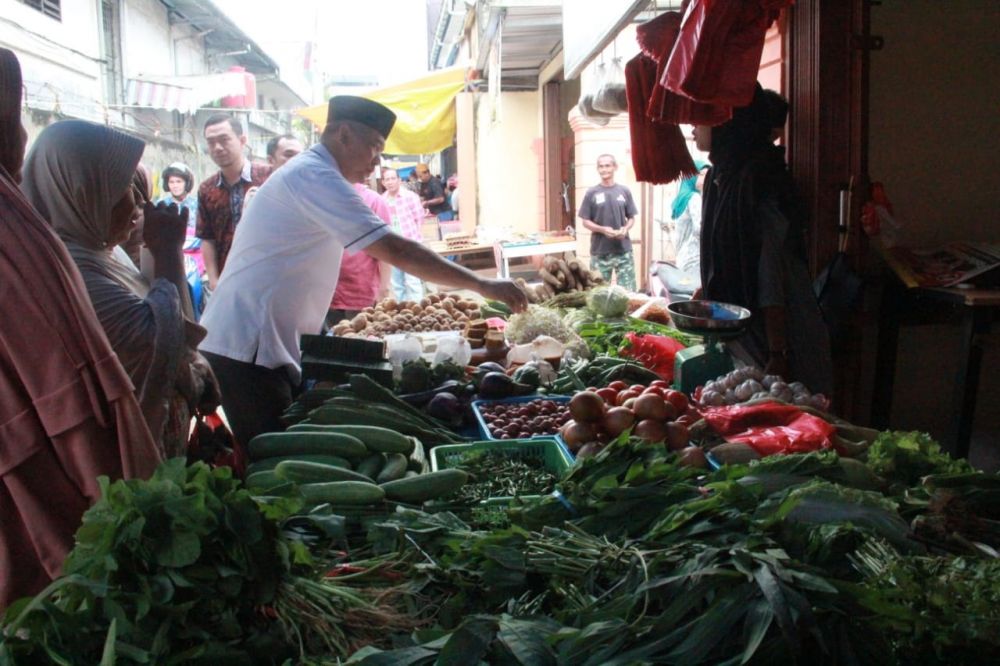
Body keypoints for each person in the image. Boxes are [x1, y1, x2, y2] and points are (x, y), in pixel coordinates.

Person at [199, 95, 526, 449]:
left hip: (267, 345)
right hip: (247, 347)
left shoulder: (317, 173)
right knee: (274, 462)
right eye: (374, 147)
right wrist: (480, 283)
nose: (376, 161)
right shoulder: (313, 174)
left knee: (287, 453)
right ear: (342, 135)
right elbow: (394, 248)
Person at [0, 48, 160, 609]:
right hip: (51, 482)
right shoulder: (23, 241)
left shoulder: (73, 245)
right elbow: (74, 388)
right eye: (15, 118)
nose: (136, 204)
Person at [22, 120, 220, 458]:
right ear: (83, 192)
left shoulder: (101, 250)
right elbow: (168, 348)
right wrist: (167, 252)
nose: (137, 204)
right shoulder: (72, 273)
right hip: (116, 466)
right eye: (123, 187)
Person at [692, 85, 832, 394]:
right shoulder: (724, 175)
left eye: (702, 117)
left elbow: (770, 272)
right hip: (751, 333)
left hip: (779, 334)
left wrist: (777, 353)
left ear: (727, 122)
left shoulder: (757, 179)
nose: (693, 126)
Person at [195, 113, 271, 289]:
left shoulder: (269, 178)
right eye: (211, 142)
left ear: (242, 140)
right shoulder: (207, 189)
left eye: (224, 139)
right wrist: (214, 281)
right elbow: (207, 238)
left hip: (268, 276)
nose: (217, 147)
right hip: (228, 280)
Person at [327, 182, 393, 328]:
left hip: (361, 294)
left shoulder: (373, 201)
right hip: (326, 295)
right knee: (332, 346)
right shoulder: (321, 198)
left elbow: (385, 250)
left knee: (362, 345)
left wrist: (384, 289)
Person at [578, 154, 638, 291]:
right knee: (599, 294)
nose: (604, 169)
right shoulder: (591, 193)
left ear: (615, 167)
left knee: (628, 293)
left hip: (624, 251)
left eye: (607, 166)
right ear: (597, 169)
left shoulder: (624, 191)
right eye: (601, 166)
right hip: (600, 252)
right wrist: (603, 229)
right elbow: (585, 221)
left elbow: (631, 217)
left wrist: (625, 229)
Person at [157, 162, 206, 317]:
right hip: (170, 255)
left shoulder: (198, 205)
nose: (175, 185)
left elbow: (204, 234)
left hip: (197, 258)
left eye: (179, 181)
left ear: (186, 182)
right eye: (171, 182)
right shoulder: (161, 205)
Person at [380, 167, 425, 302]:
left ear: (399, 180)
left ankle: (419, 310)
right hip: (392, 248)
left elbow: (419, 218)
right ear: (383, 183)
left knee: (413, 281)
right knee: (397, 284)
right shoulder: (382, 200)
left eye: (393, 178)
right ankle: (404, 313)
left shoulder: (410, 197)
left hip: (410, 245)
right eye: (387, 179)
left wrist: (416, 242)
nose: (390, 182)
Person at [669, 160, 709, 280]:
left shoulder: (682, 198)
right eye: (703, 175)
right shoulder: (694, 198)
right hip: (694, 259)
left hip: (683, 257)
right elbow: (699, 229)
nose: (707, 179)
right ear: (692, 176)